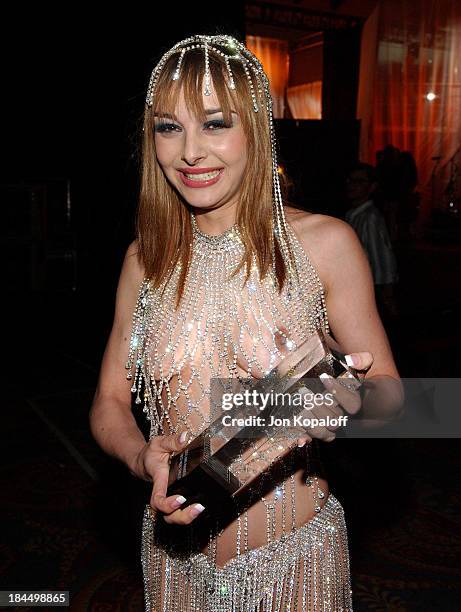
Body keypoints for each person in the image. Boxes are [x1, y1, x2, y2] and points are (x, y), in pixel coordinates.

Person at [89, 34, 403, 611]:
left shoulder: (325, 244)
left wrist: (346, 406)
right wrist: (141, 457)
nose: (191, 152)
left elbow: (392, 398)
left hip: (295, 562)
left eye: (214, 123)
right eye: (168, 127)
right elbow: (109, 399)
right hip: (175, 558)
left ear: (256, 131)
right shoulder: (144, 260)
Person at [345, 162, 399, 320]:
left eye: (359, 181)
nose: (351, 185)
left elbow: (383, 259)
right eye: (350, 180)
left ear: (372, 187)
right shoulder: (354, 215)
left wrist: (387, 297)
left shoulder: (370, 218)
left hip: (372, 292)